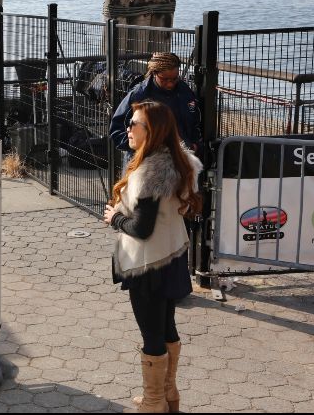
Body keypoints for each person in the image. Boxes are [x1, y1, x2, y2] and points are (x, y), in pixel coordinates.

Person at [103, 101, 202, 413]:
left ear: (153, 131)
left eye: (135, 124)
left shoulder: (148, 173)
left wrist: (114, 218)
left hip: (148, 264)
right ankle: (169, 396)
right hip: (170, 257)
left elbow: (141, 228)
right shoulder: (180, 161)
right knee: (166, 326)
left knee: (152, 335)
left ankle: (153, 403)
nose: (127, 129)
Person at [109, 52, 202, 163]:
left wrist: (196, 145)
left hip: (180, 158)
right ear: (154, 73)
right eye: (164, 79)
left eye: (174, 79)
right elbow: (116, 131)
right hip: (144, 162)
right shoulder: (138, 95)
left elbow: (195, 121)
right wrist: (143, 147)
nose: (170, 84)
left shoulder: (185, 92)